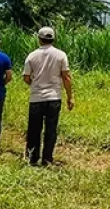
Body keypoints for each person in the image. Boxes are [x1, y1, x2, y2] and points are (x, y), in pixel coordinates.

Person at [22, 26, 74, 166]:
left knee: (34, 129)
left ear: (39, 39)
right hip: (54, 97)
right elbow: (66, 77)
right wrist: (70, 96)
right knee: (51, 130)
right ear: (53, 39)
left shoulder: (32, 56)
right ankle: (47, 159)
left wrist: (35, 84)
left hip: (37, 98)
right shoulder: (61, 55)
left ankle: (33, 158)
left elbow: (26, 77)